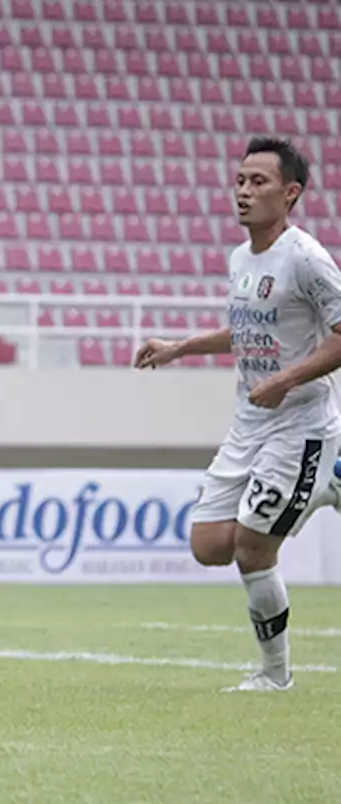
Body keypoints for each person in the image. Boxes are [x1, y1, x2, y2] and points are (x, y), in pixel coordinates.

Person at [134, 136, 341, 692]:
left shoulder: (306, 258)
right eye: (240, 181)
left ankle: (275, 676)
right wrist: (180, 347)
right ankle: (327, 489)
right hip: (249, 423)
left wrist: (287, 379)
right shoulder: (240, 259)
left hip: (301, 423)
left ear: (290, 193)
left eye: (259, 182)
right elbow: (249, 329)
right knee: (209, 547)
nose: (243, 191)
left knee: (252, 547)